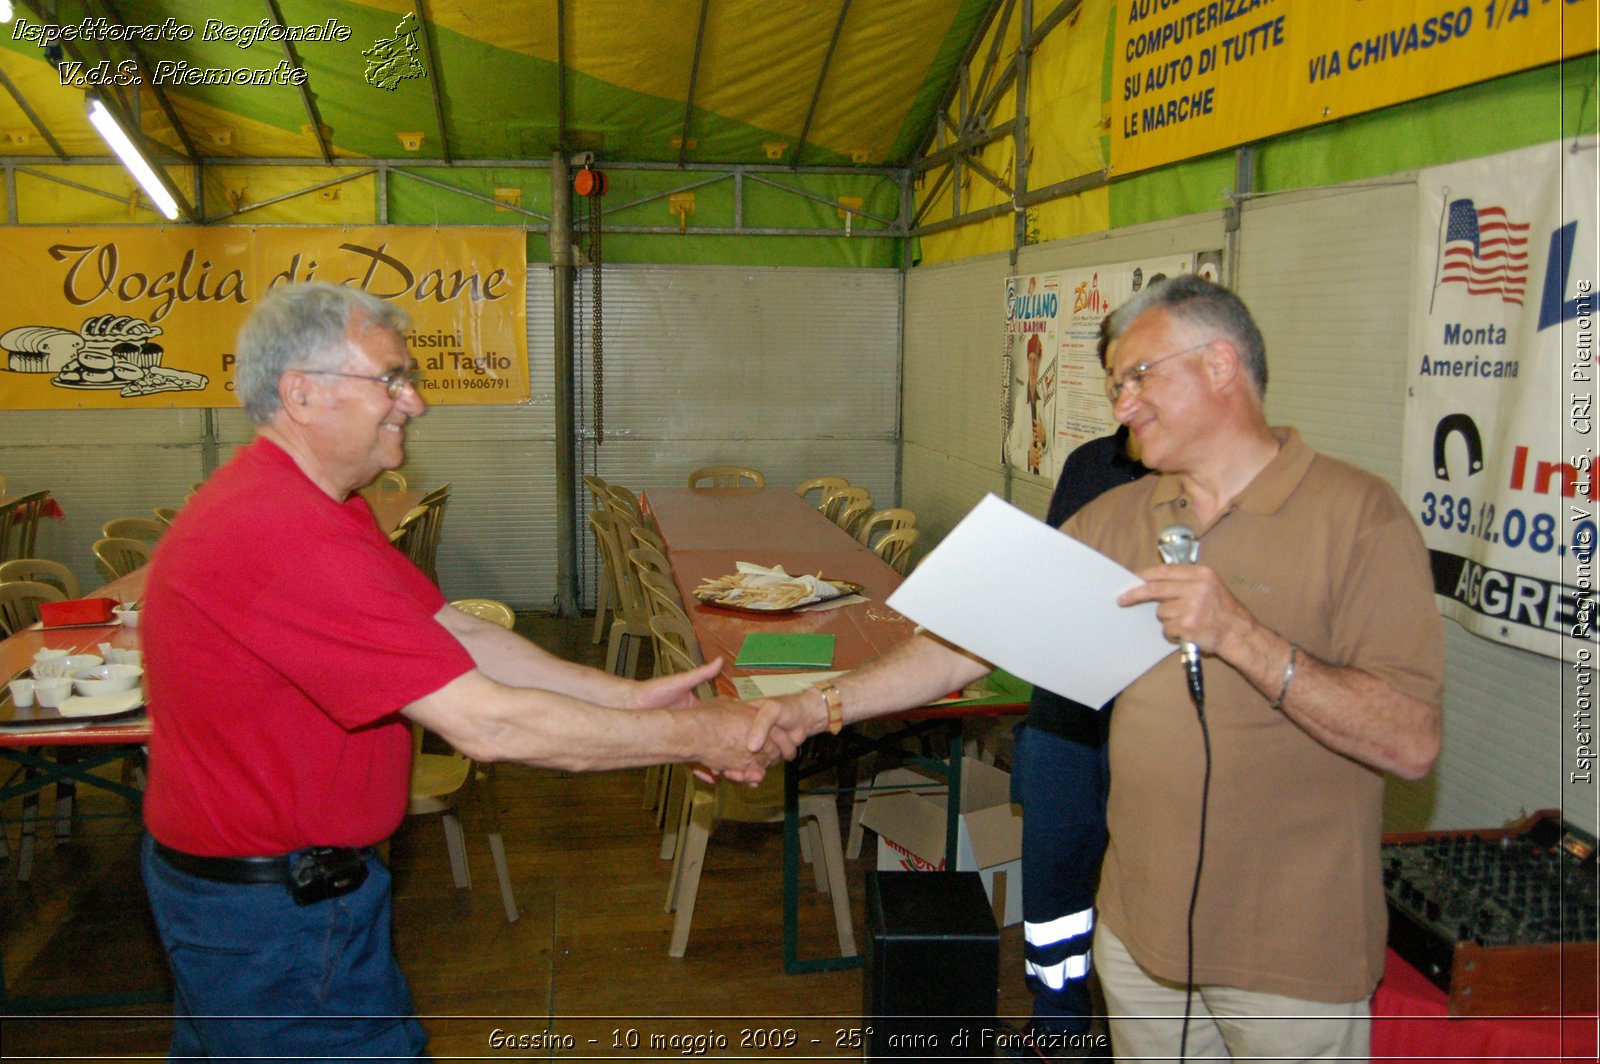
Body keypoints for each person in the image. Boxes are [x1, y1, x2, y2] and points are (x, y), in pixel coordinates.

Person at [750, 274, 1444, 1059]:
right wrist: (817, 709)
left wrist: (1244, 638)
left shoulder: (1357, 516)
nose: (1121, 404)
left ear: (1220, 366)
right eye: (1114, 384)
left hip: (1289, 966)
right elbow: (961, 646)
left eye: (1138, 376)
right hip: (1139, 945)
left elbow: (1410, 740)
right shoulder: (1117, 516)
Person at [140, 282, 776, 1061]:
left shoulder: (318, 505)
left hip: (279, 901)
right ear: (301, 393)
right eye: (392, 379)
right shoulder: (279, 531)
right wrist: (696, 735)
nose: (415, 401)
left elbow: (451, 631)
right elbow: (489, 722)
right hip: (276, 920)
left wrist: (631, 697)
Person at [1010, 421, 1145, 1060]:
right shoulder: (1091, 462)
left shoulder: (1213, 484)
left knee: (1136, 893)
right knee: (1053, 881)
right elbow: (1052, 582)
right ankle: (1056, 1032)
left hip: (1146, 729)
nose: (1130, 396)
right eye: (1121, 381)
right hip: (1063, 719)